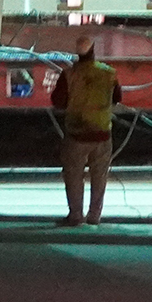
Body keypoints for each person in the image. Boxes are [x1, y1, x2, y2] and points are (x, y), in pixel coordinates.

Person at [50, 36, 115, 225]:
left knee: (73, 175)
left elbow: (58, 102)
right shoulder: (109, 73)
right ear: (94, 51)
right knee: (99, 175)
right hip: (102, 133)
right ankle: (94, 216)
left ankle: (75, 215)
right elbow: (117, 96)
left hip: (76, 134)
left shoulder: (69, 75)